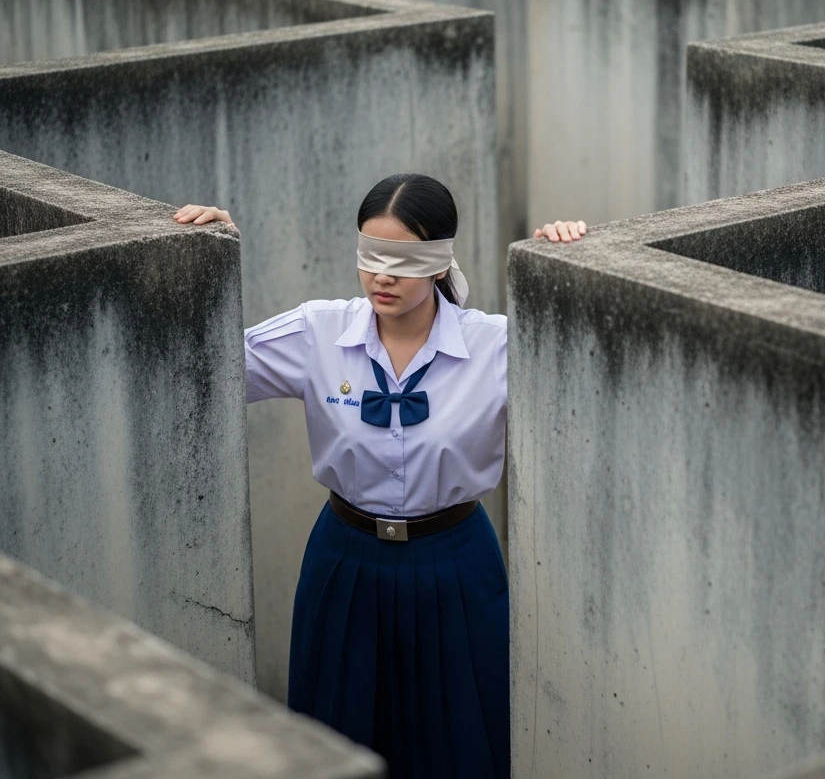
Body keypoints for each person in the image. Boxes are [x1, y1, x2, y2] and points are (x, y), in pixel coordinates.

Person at [174, 173, 586, 779]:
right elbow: (201, 360)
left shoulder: (496, 345)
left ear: (441, 260)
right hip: (344, 560)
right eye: (371, 255)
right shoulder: (318, 331)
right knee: (335, 730)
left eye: (404, 259)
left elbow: (586, 372)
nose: (383, 276)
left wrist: (573, 265)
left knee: (463, 737)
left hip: (456, 563)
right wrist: (203, 260)